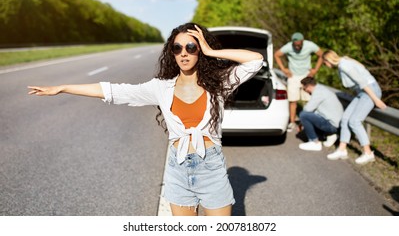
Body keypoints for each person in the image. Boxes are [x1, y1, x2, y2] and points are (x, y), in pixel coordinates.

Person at [28, 23, 264, 216]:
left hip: (211, 167)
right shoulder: (160, 88)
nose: (184, 53)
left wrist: (211, 51)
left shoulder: (219, 83)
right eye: (177, 48)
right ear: (171, 52)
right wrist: (63, 87)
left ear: (199, 50)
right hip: (177, 168)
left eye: (191, 47)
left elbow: (255, 60)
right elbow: (114, 91)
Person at [322, 50, 387, 165]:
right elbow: (361, 69)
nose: (325, 66)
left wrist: (376, 99)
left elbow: (362, 81)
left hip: (370, 91)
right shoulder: (344, 61)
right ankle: (342, 150)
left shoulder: (344, 65)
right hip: (362, 92)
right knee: (346, 118)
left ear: (328, 60)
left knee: (355, 121)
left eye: (324, 63)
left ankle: (368, 153)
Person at [274, 32, 324, 132]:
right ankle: (292, 122)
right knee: (293, 100)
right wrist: (284, 69)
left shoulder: (310, 45)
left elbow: (322, 55)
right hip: (293, 76)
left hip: (306, 75)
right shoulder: (288, 47)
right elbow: (277, 54)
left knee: (308, 100)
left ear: (302, 41)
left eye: (299, 45)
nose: (297, 47)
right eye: (295, 45)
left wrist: (315, 70)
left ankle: (306, 122)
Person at [298, 76, 344, 151]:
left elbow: (307, 109)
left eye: (304, 88)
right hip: (336, 124)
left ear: (308, 86)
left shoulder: (318, 93)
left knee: (303, 115)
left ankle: (314, 142)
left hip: (332, 125)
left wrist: (301, 122)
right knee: (309, 117)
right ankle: (329, 135)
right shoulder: (321, 89)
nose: (305, 91)